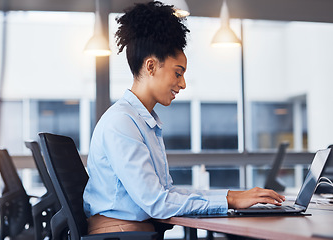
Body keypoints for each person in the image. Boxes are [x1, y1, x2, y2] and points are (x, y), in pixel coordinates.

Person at [83, 1, 285, 236]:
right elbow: (157, 203)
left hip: (135, 231)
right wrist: (229, 201)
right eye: (177, 73)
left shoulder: (143, 121)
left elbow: (167, 194)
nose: (183, 83)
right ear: (150, 66)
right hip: (119, 234)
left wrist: (231, 196)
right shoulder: (122, 123)